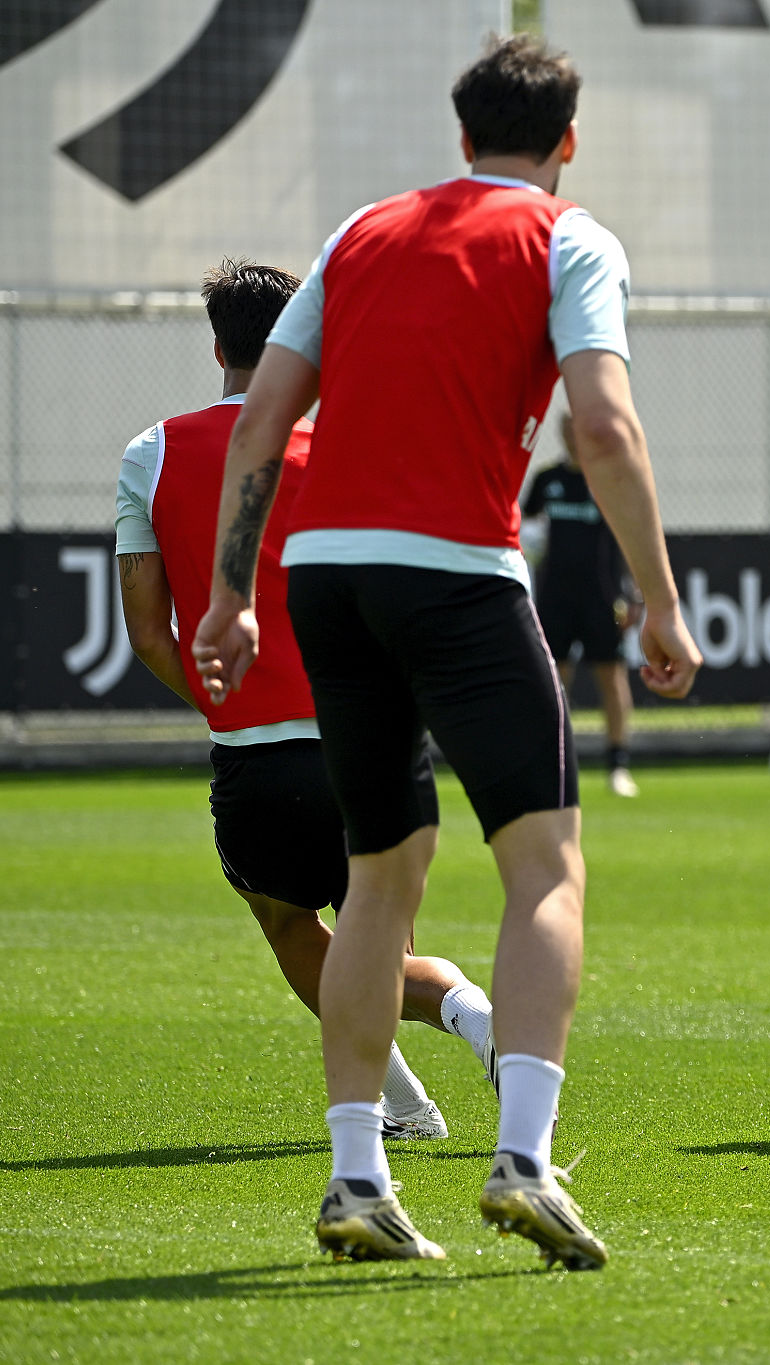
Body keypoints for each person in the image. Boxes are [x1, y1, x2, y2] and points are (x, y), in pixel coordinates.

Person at [191, 36, 700, 1267]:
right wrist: (660, 600)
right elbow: (604, 424)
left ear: (459, 131)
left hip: (322, 575)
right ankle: (523, 1157)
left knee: (380, 878)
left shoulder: (360, 233)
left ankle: (357, 1177)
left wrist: (226, 596)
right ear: (566, 141)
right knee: (543, 869)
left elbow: (263, 417)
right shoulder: (568, 237)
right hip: (458, 572)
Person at [114, 259, 496, 1143]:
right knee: (383, 933)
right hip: (375, 740)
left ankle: (420, 1078)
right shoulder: (358, 443)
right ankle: (460, 1029)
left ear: (217, 345)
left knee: (290, 919)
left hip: (258, 754)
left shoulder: (152, 451)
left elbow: (147, 631)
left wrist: (223, 701)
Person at [522, 415, 643, 797]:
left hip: (602, 598)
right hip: (555, 597)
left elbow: (630, 537)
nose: (578, 436)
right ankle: (553, 766)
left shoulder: (607, 478)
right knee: (555, 683)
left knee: (612, 678)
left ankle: (618, 766)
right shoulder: (546, 481)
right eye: (570, 429)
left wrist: (636, 592)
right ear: (563, 433)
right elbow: (522, 529)